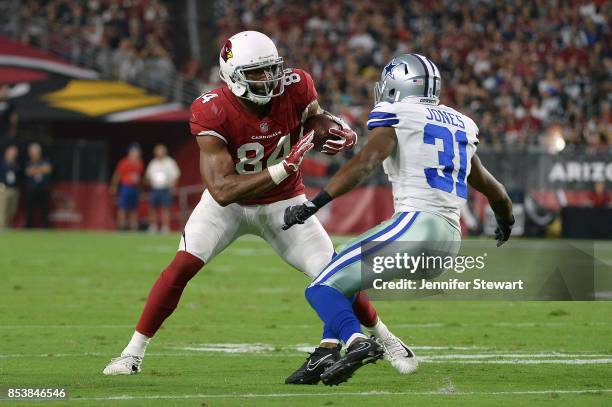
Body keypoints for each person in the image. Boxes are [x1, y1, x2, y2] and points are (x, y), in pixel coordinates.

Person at [103, 31, 413, 377]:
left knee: (334, 275)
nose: (269, 79)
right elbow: (222, 189)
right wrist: (284, 167)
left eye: (271, 69)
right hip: (229, 208)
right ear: (233, 75)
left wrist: (328, 127)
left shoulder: (297, 86)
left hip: (284, 205)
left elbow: (312, 117)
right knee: (181, 268)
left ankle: (386, 338)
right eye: (257, 73)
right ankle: (132, 354)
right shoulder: (212, 109)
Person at [282, 54, 515, 385]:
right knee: (343, 274)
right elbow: (494, 189)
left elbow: (365, 162)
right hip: (449, 241)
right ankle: (327, 348)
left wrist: (314, 203)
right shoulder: (460, 122)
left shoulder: (397, 113)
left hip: (417, 227)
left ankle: (358, 342)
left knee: (321, 288)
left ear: (397, 84)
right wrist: (505, 220)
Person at [145, 144, 181, 233]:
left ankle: (165, 227)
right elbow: (148, 176)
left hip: (166, 188)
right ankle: (153, 226)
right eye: (158, 151)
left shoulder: (170, 162)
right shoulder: (153, 163)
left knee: (166, 208)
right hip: (155, 189)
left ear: (165, 152)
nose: (160, 153)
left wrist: (173, 187)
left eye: (161, 150)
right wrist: (150, 183)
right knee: (152, 208)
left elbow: (176, 175)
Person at [110, 144, 144, 231]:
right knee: (122, 207)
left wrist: (140, 189)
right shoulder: (124, 162)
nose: (136, 154)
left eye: (137, 152)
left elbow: (139, 177)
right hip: (125, 187)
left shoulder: (139, 163)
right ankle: (121, 226)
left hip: (134, 188)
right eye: (134, 152)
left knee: (134, 208)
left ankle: (133, 227)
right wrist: (114, 186)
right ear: (130, 153)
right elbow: (117, 175)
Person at [25, 142, 53, 228]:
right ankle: (29, 227)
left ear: (39, 152)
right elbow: (28, 172)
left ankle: (45, 227)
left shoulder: (45, 160)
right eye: (31, 151)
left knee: (44, 209)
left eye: (34, 151)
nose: (32, 153)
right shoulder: (28, 162)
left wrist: (35, 170)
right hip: (31, 189)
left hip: (43, 188)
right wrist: (41, 169)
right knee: (30, 209)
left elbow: (48, 169)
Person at [0, 145, 20, 229]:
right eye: (12, 153)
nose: (14, 154)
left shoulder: (17, 163)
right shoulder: (1, 162)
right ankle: (2, 227)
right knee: (3, 210)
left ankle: (7, 226)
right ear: (7, 153)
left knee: (12, 210)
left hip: (14, 189)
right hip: (3, 189)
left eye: (15, 153)